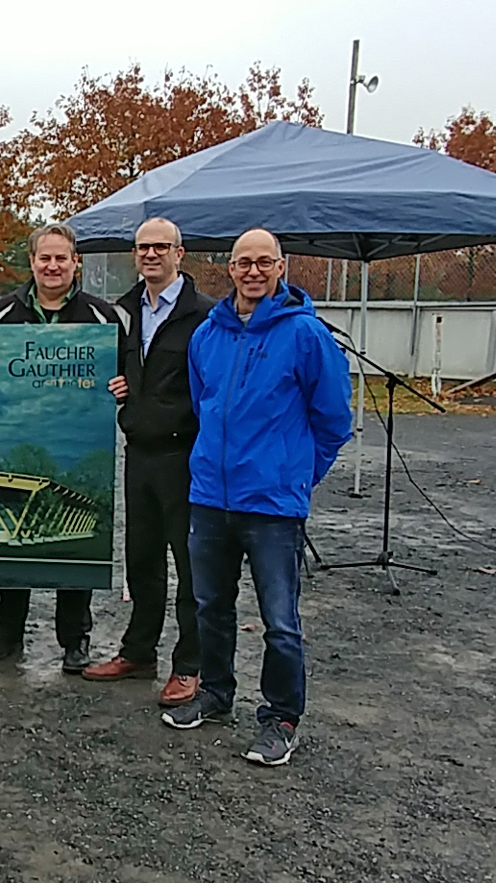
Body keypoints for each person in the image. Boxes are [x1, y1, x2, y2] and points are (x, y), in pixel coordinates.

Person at [166, 228, 352, 768]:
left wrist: (297, 474)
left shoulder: (306, 335)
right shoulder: (208, 336)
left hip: (272, 505)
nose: (252, 271)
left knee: (280, 620)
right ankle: (216, 694)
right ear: (230, 267)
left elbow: (333, 419)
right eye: (243, 262)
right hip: (211, 498)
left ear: (280, 267)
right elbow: (205, 406)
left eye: (263, 262)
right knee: (211, 606)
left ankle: (280, 717)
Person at [0, 223, 129, 674]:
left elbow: (127, 372)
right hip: (17, 441)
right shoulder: (2, 314)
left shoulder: (103, 316)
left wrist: (125, 387)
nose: (53, 265)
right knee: (15, 541)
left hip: (80, 441)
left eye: (62, 257)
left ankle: (75, 639)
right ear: (32, 262)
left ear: (75, 262)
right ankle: (7, 632)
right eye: (45, 257)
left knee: (76, 547)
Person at [83, 218, 215, 707]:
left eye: (161, 247)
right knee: (141, 559)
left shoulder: (203, 315)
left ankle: (190, 664)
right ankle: (139, 650)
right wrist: (120, 386)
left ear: (180, 253)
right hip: (138, 453)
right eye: (143, 247)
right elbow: (119, 368)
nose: (151, 255)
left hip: (185, 454)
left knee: (190, 564)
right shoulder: (124, 312)